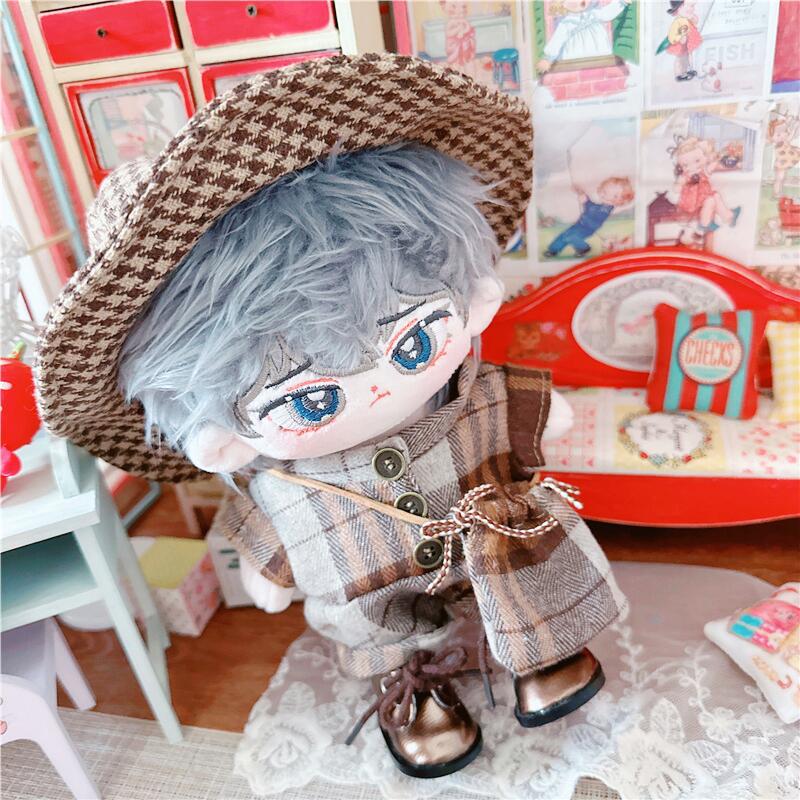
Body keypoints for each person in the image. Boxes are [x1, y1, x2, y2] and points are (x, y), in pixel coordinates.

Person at [35, 54, 626, 780]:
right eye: (309, 399)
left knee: (528, 551)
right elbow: (267, 519)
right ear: (221, 430)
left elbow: (519, 408)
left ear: (468, 299)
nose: (376, 393)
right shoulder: (281, 477)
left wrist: (540, 411)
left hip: (493, 539)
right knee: (370, 621)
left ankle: (547, 642)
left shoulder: (474, 396)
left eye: (414, 344)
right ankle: (414, 681)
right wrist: (269, 569)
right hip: (372, 583)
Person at [544, 176, 634, 258]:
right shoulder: (602, 206)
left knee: (571, 237)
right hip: (579, 225)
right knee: (564, 235)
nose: (600, 192)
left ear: (617, 198)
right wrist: (582, 194)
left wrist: (585, 201)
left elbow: (593, 211)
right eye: (601, 189)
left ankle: (584, 248)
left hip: (587, 229)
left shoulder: (607, 209)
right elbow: (591, 205)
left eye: (604, 191)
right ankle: (553, 250)